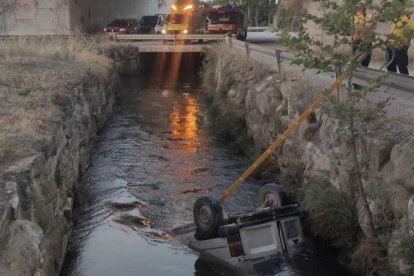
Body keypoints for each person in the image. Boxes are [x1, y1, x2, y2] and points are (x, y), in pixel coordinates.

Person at [352, 1, 375, 67]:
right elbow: (356, 27)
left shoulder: (369, 16)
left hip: (367, 41)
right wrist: (366, 25)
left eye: (362, 6)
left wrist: (363, 25)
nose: (361, 8)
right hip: (357, 41)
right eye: (359, 7)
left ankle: (364, 75)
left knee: (366, 62)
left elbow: (374, 26)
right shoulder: (355, 16)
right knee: (356, 61)